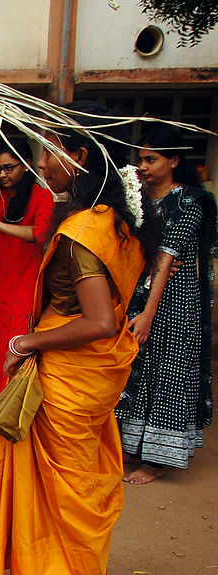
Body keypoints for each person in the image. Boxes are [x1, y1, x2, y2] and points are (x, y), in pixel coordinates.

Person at [0, 101, 159, 575]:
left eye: (48, 151)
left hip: (70, 375)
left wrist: (28, 340)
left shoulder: (83, 228)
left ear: (78, 156)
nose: (41, 164)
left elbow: (100, 321)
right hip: (87, 376)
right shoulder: (116, 222)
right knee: (60, 494)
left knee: (68, 499)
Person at [116, 124, 217, 483]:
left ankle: (157, 460)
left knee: (170, 372)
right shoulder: (137, 198)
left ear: (173, 161)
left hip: (175, 301)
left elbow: (167, 255)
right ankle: (134, 446)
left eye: (151, 159)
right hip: (141, 293)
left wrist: (148, 313)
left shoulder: (190, 201)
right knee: (138, 369)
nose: (142, 166)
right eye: (140, 159)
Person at [0, 138, 54, 438]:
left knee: (13, 345)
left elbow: (39, 234)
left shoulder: (42, 197)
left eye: (8, 168)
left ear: (26, 166)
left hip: (22, 283)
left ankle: (10, 413)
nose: (3, 174)